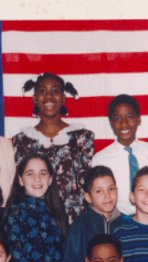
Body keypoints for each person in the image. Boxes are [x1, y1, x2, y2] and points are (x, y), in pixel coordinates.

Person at [12, 72, 95, 223]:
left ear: (63, 98)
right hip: (34, 223)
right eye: (42, 91)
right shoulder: (20, 141)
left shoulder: (82, 138)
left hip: (74, 223)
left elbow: (87, 185)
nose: (49, 96)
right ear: (34, 99)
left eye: (55, 91)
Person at [3, 152, 67, 262]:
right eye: (30, 173)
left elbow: (62, 260)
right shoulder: (16, 214)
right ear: (21, 180)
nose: (37, 179)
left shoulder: (57, 213)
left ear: (51, 179)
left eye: (43, 173)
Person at [91, 94, 148, 217]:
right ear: (111, 122)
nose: (124, 124)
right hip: (116, 219)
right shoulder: (100, 159)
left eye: (129, 117)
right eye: (118, 118)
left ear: (138, 119)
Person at [61, 166, 121, 262]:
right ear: (88, 197)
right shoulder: (79, 228)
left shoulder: (126, 225)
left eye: (111, 189)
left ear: (117, 191)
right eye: (99, 191)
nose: (107, 195)